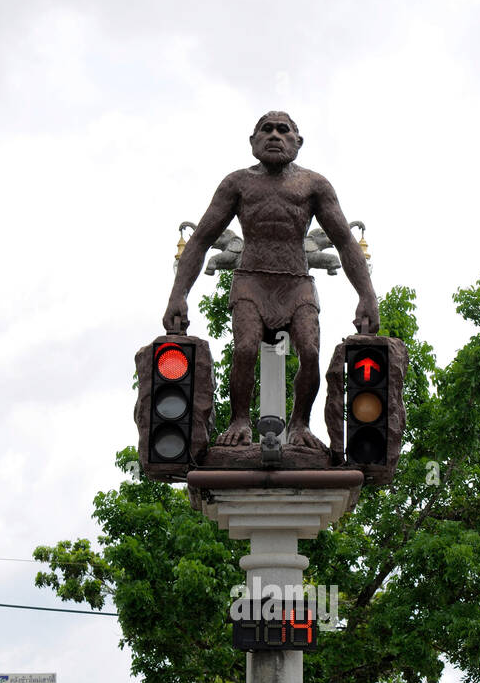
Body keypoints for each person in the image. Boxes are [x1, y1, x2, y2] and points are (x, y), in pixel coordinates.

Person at [163, 112, 380, 448]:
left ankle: (299, 426)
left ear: (298, 142)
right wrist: (178, 295)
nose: (275, 136)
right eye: (266, 130)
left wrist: (367, 296)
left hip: (296, 282)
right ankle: (240, 421)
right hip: (252, 280)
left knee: (309, 351)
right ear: (253, 142)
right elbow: (201, 239)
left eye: (284, 130)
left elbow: (346, 242)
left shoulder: (314, 185)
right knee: (246, 349)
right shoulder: (237, 184)